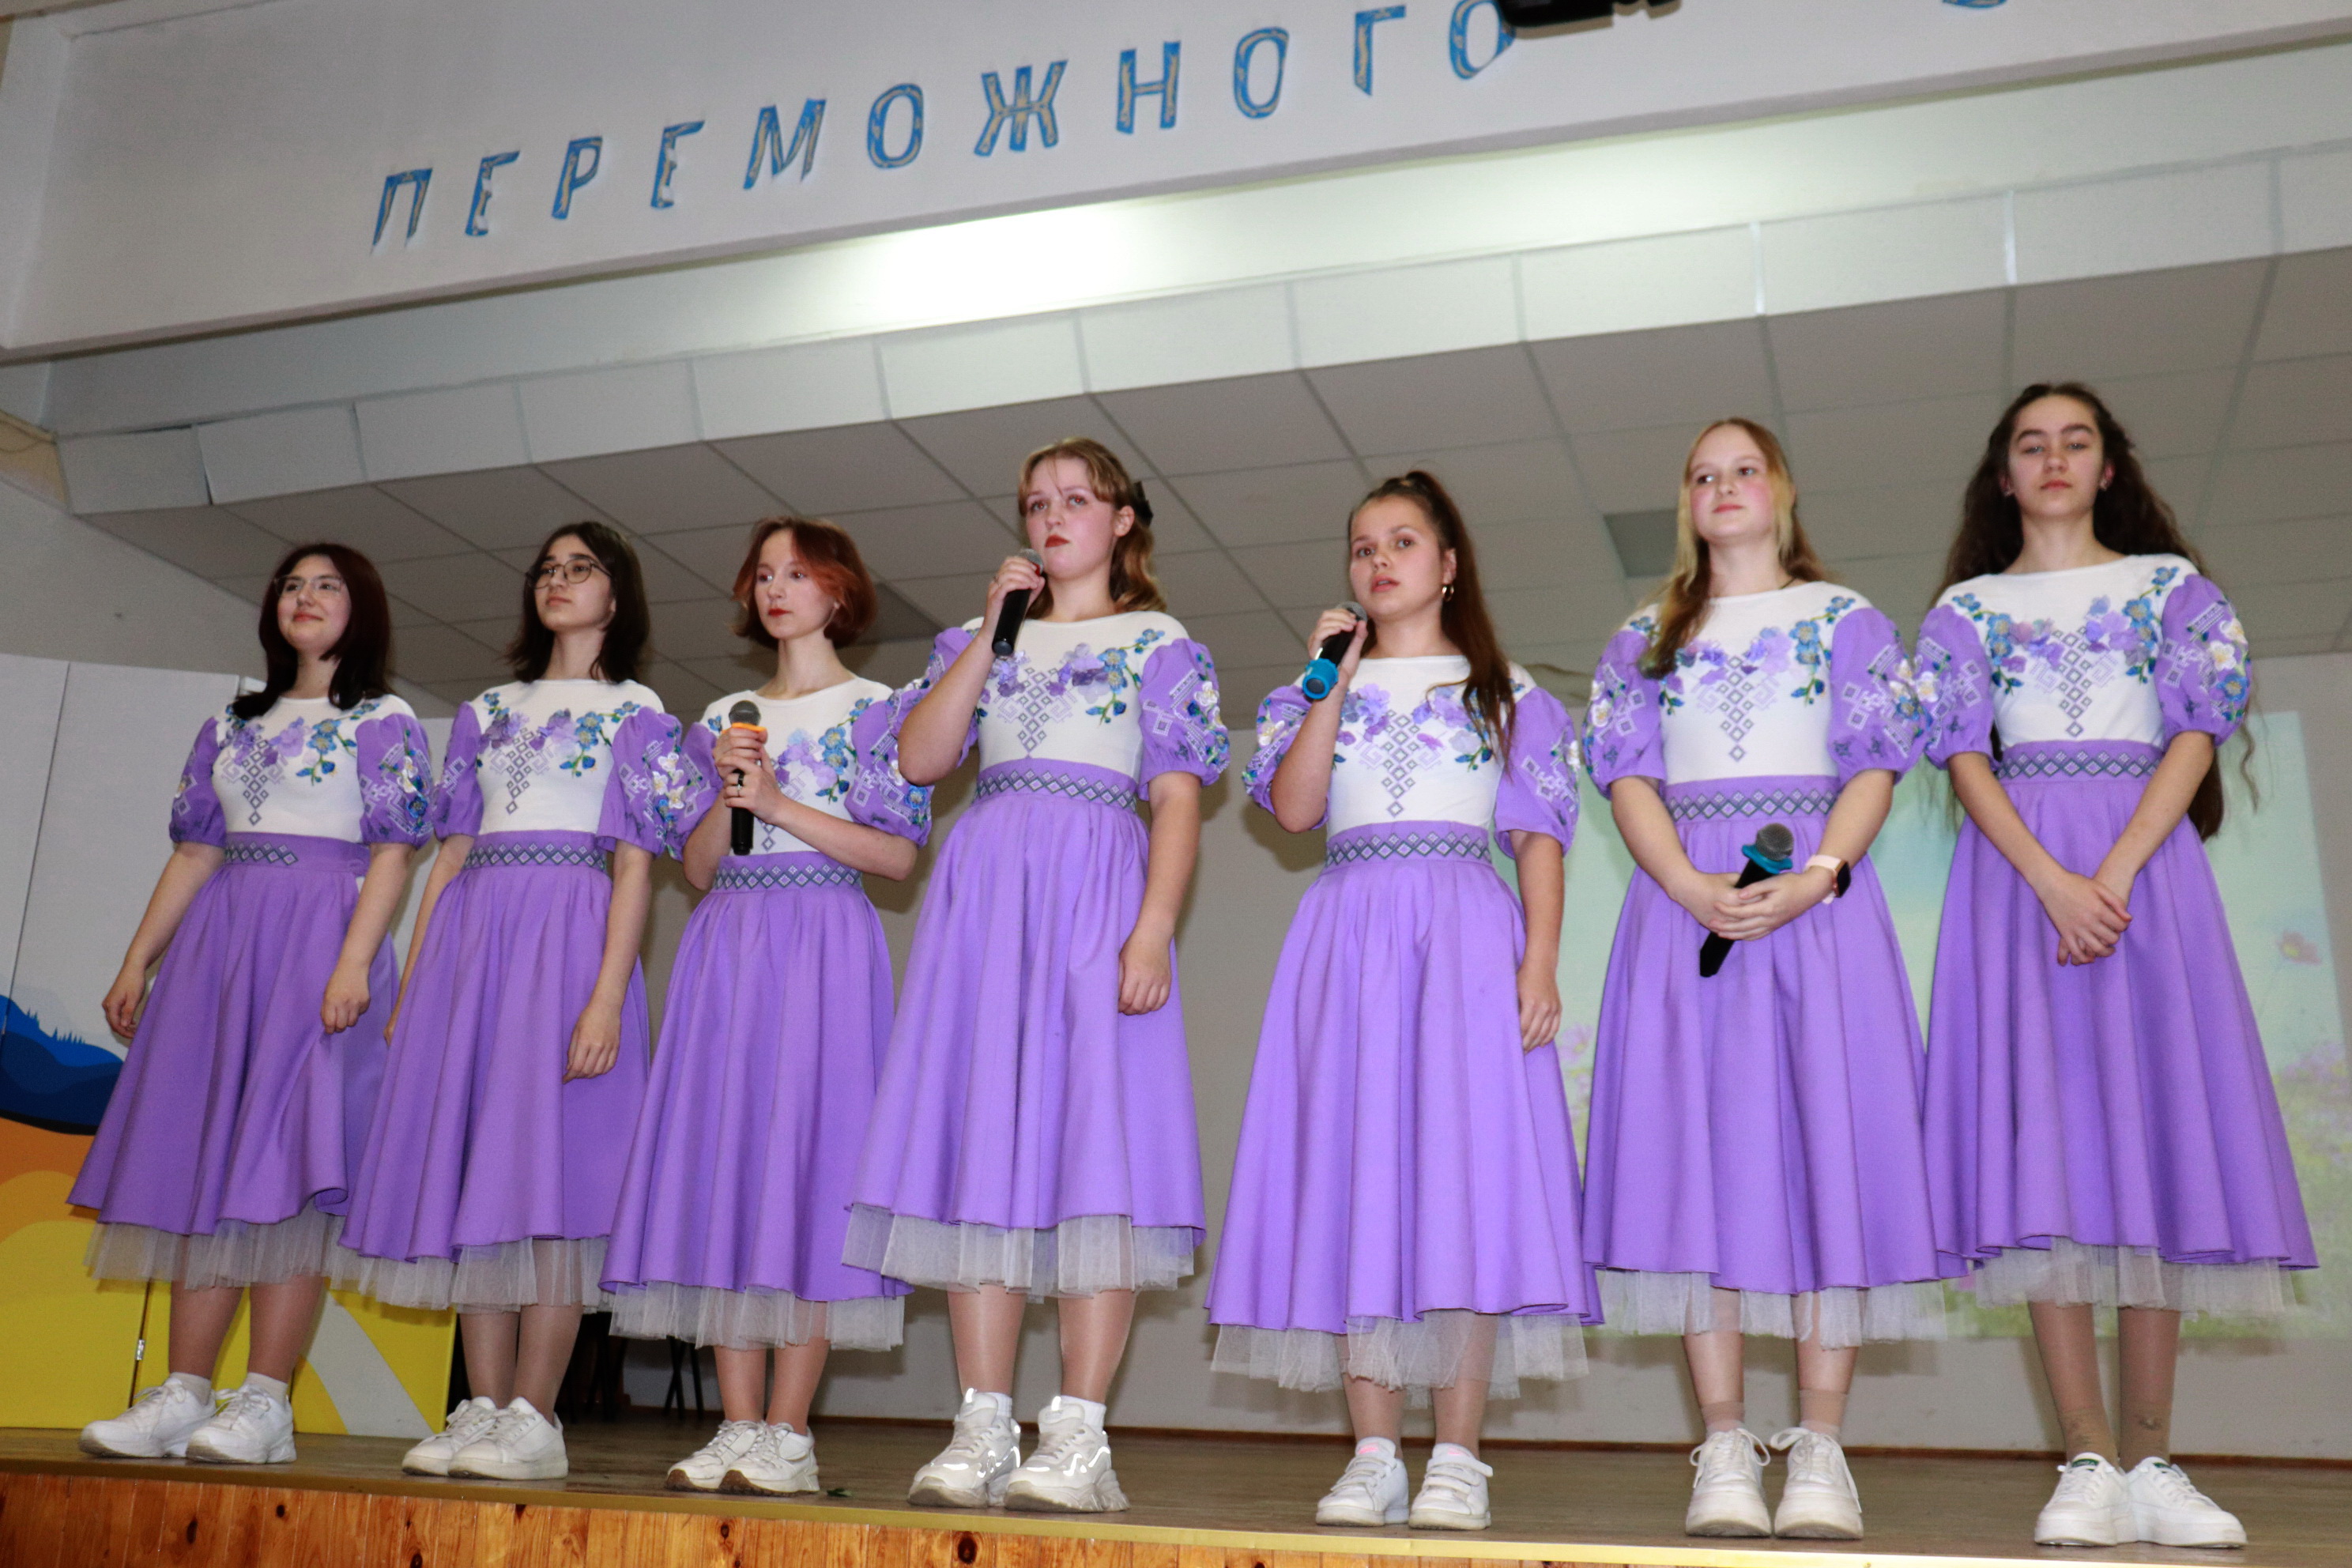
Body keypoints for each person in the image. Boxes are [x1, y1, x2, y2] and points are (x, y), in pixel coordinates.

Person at [1915, 383, 2315, 1549]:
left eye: (2075, 441)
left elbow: (2195, 732)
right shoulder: (1966, 610)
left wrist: (2118, 872)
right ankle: (2086, 1457)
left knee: (2152, 1147)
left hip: (2147, 885)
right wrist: (2052, 879)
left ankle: (2153, 1461)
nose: (2054, 458)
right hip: (2019, 884)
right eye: (2031, 444)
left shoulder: (2170, 589)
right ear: (2004, 477)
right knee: (2044, 1156)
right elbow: (1963, 755)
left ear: (2107, 467)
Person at [1207, 471, 1594, 1532]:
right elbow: (1293, 810)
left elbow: (1539, 842)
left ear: (1450, 564)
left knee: (1464, 1186)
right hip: (1349, 937)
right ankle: (1375, 1452)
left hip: (1465, 934)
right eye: (1363, 546)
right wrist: (1328, 683)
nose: (1379, 560)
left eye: (1403, 541)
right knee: (1354, 1175)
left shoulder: (1507, 692)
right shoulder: (1315, 688)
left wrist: (1540, 963)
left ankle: (1458, 1458)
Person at [1581, 419, 1944, 1540]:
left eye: (1745, 469)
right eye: (1704, 474)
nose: (1725, 486)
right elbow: (1629, 780)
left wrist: (1822, 874)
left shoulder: (1846, 620)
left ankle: (1822, 1447)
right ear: (1686, 502)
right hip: (1688, 905)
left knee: (1828, 1151)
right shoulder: (1643, 637)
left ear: (1781, 488)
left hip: (1816, 914)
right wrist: (1689, 885)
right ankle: (1726, 1447)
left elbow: (1874, 766)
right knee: (1703, 1167)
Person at [848, 438, 1226, 1513]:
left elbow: (1178, 798)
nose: (1052, 517)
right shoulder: (978, 638)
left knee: (1095, 1155)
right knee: (988, 1157)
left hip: (1097, 891)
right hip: (988, 906)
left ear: (1122, 521)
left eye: (1075, 499)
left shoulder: (1160, 643)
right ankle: (981, 1423)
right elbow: (921, 761)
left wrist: (1153, 928)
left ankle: (1077, 1433)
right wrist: (986, 634)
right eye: (1035, 503)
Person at [341, 522, 688, 1483]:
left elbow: (636, 868)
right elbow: (449, 854)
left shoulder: (638, 711)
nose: (558, 581)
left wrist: (607, 997)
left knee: (552, 1181)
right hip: (474, 945)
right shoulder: (485, 710)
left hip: (570, 937)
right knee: (477, 1175)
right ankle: (483, 1408)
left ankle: (536, 1415)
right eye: (546, 569)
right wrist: (416, 982)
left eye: (581, 569)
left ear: (617, 595)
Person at [74, 544, 430, 1466]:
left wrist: (354, 964)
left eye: (327, 586)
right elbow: (197, 850)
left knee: (290, 1173)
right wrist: (139, 959)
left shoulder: (382, 720)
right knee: (207, 1164)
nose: (305, 597)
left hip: (320, 949)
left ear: (362, 608)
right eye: (291, 585)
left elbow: (393, 851)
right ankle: (184, 1393)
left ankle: (265, 1401)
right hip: (221, 954)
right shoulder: (230, 722)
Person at [603, 518, 928, 1495]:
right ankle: (737, 1424)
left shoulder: (880, 710)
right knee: (730, 1167)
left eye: (799, 572)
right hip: (728, 945)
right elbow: (700, 867)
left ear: (840, 592)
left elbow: (897, 856)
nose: (777, 588)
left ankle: (790, 1431)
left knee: (812, 1170)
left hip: (824, 942)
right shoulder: (720, 718)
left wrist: (780, 803)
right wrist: (729, 790)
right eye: (764, 574)